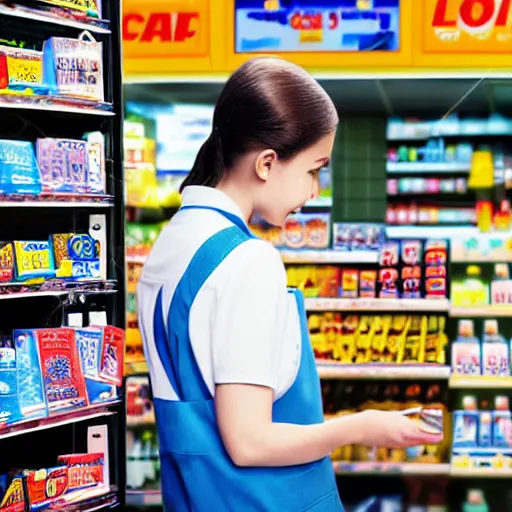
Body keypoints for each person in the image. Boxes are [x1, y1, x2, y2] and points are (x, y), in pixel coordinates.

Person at [137, 57, 443, 512]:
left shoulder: (173, 241)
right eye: (313, 169)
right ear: (266, 163)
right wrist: (363, 427)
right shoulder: (249, 260)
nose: (314, 191)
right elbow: (250, 443)